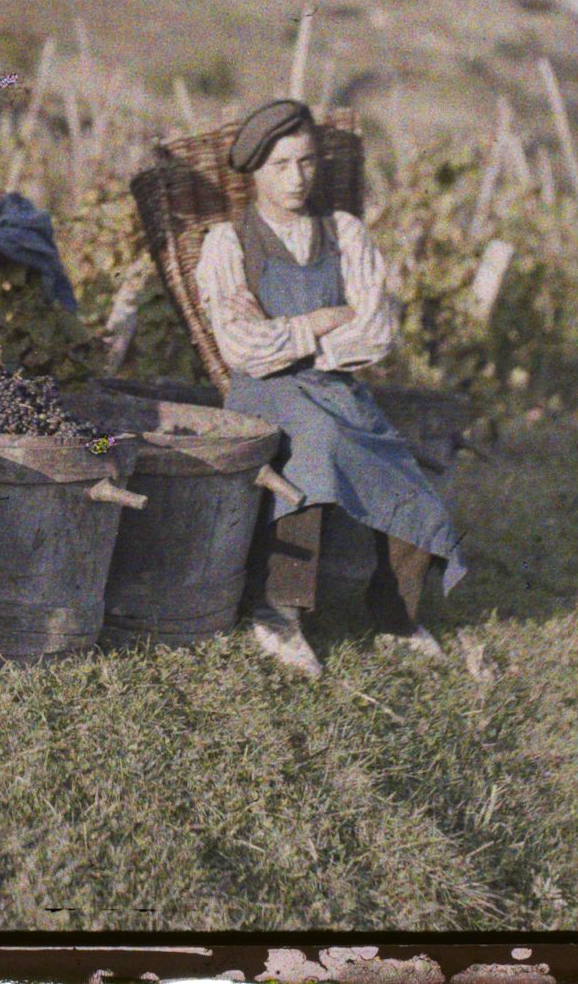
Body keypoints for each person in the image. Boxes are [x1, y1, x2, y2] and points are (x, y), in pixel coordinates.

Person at [194, 98, 465, 677]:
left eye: (306, 163)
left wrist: (303, 341)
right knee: (316, 447)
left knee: (408, 480)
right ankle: (278, 613)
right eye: (280, 165)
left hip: (338, 388)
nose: (296, 179)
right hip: (262, 394)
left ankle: (397, 619)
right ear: (254, 173)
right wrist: (318, 322)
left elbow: (376, 329)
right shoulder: (228, 243)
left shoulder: (344, 233)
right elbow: (241, 345)